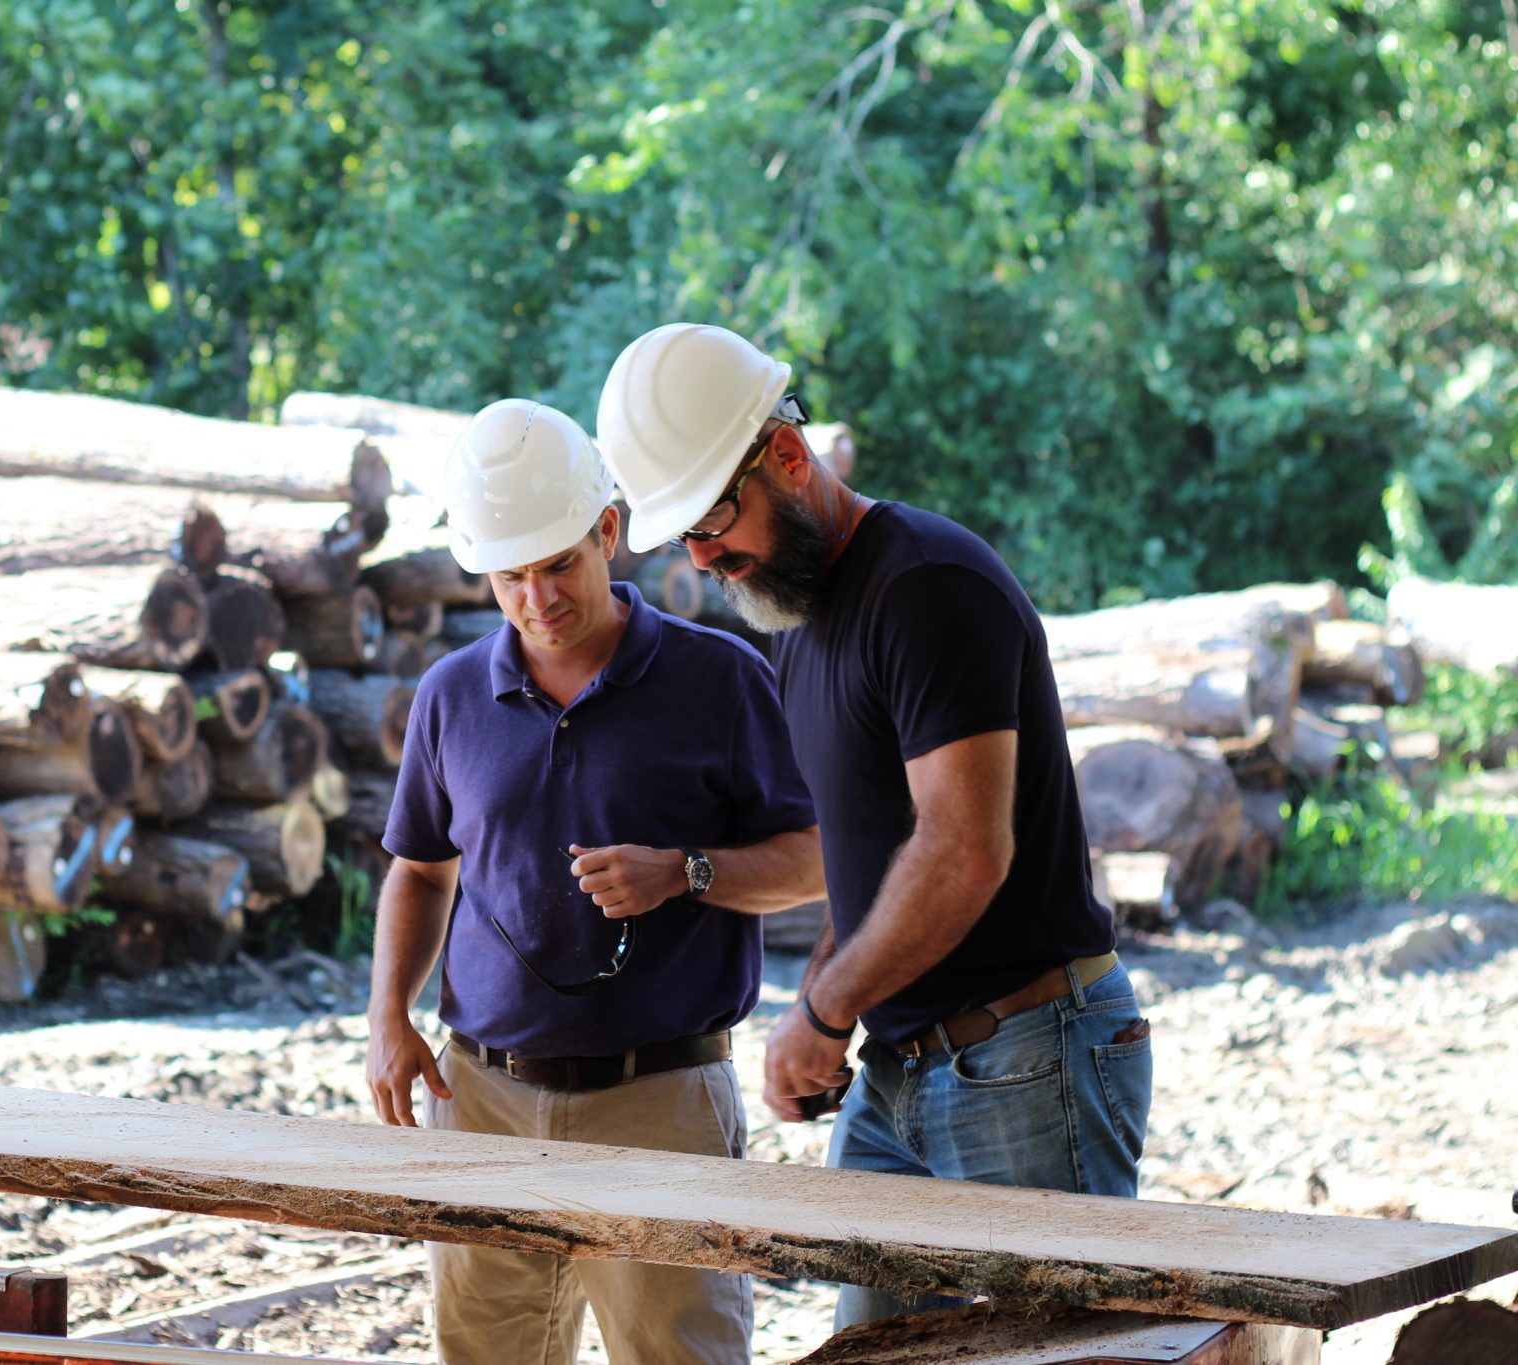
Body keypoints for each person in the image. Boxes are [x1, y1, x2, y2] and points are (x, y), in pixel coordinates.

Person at [595, 323, 1155, 1330]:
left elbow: (961, 850)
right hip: (902, 1069)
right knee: (873, 1354)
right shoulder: (802, 623)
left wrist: (820, 1013)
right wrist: (696, 880)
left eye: (712, 519)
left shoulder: (925, 589)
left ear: (787, 458)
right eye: (679, 535)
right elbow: (855, 864)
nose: (700, 556)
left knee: (1062, 1355)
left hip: (1021, 1055)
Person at [365, 397, 822, 1364]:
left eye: (559, 565)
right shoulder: (451, 694)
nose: (539, 599)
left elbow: (816, 861)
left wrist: (686, 873)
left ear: (608, 531)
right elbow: (418, 868)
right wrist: (387, 1019)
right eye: (512, 577)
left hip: (661, 1102)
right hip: (480, 1098)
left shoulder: (724, 679)